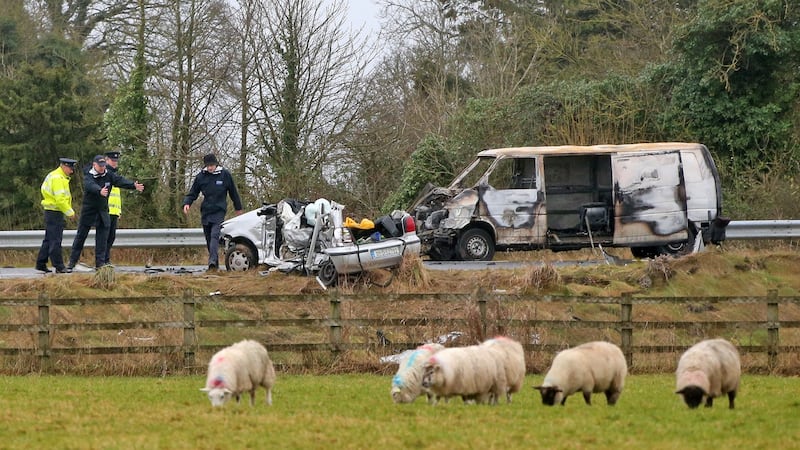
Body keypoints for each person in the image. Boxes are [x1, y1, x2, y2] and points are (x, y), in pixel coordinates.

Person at [66, 155, 144, 270]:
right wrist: (99, 191)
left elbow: (119, 180)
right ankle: (72, 263)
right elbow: (90, 185)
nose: (102, 168)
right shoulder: (89, 175)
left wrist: (133, 185)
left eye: (103, 166)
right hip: (89, 211)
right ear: (94, 165)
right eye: (100, 166)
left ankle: (100, 264)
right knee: (80, 237)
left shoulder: (109, 175)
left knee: (102, 240)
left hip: (102, 211)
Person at [182, 153, 243, 270]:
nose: (210, 168)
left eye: (212, 165)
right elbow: (193, 192)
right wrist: (187, 203)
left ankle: (212, 261)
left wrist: (238, 208)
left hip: (219, 210)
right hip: (206, 211)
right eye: (208, 165)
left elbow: (233, 193)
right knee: (209, 237)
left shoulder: (225, 175)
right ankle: (214, 263)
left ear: (216, 164)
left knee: (215, 235)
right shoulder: (201, 177)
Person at [36, 157, 78, 273]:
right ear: (63, 166)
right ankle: (59, 266)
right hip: (55, 211)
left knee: (49, 239)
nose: (71, 171)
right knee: (55, 240)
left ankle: (41, 263)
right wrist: (70, 212)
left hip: (51, 210)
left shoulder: (55, 175)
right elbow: (60, 200)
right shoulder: (58, 178)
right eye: (70, 168)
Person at [101, 150, 123, 266]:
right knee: (104, 238)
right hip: (106, 211)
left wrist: (119, 211)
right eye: (112, 160)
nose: (115, 163)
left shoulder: (115, 175)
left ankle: (106, 260)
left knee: (111, 237)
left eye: (116, 161)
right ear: (106, 160)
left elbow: (116, 196)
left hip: (114, 212)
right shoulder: (105, 174)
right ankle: (102, 261)